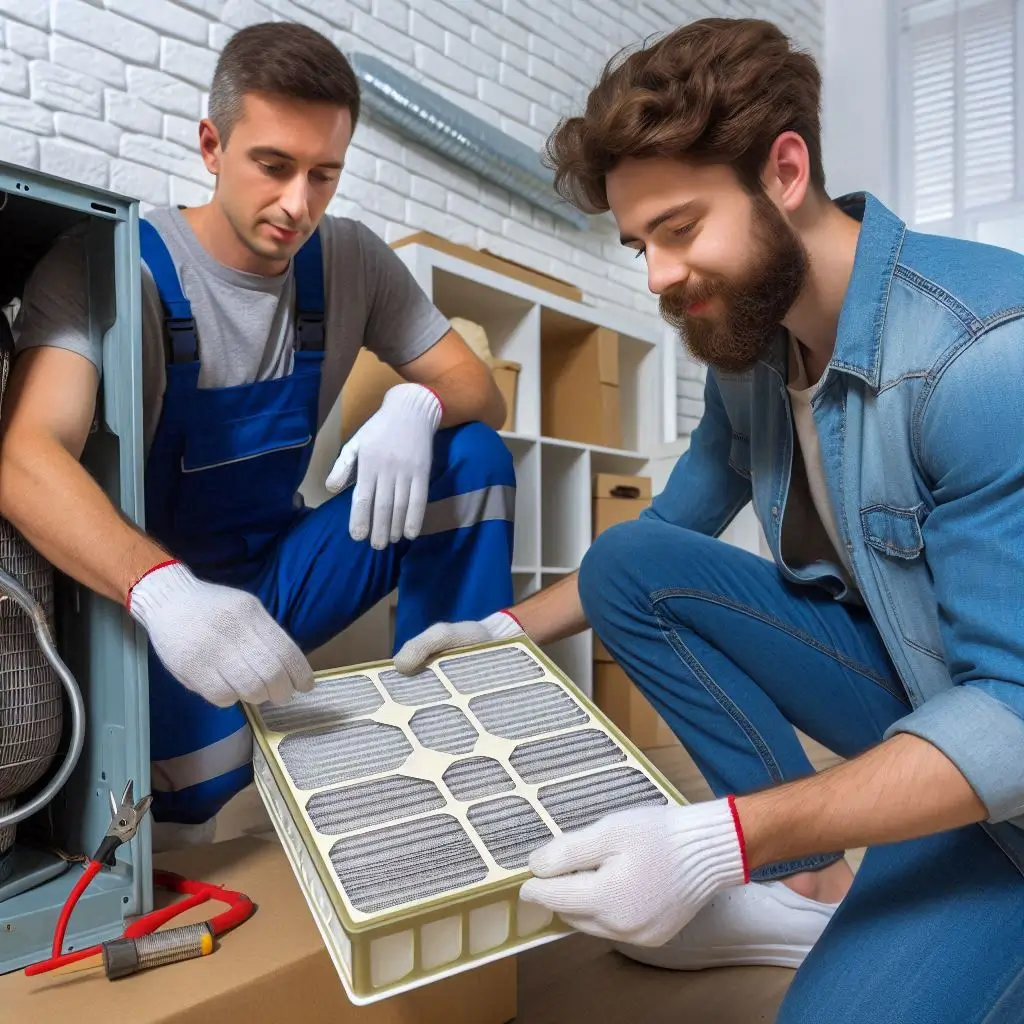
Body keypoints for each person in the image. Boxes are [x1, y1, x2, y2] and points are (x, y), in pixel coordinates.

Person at [392, 16, 1024, 1022]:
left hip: (1010, 751)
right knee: (631, 559)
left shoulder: (980, 354)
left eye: (679, 229)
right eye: (639, 243)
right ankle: (808, 883)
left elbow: (1014, 717)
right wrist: (496, 630)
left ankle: (812, 866)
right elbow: (659, 547)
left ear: (783, 171)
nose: (655, 277)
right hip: (924, 684)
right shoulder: (757, 352)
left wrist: (720, 838)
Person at [0, 22, 516, 848]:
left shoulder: (350, 260)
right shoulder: (111, 266)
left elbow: (477, 389)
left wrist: (414, 408)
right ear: (212, 145)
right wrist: (165, 597)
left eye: (324, 175)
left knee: (474, 457)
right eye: (273, 167)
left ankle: (463, 736)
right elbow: (25, 458)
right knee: (193, 812)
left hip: (281, 573)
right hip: (164, 609)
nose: (297, 205)